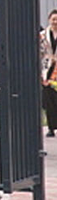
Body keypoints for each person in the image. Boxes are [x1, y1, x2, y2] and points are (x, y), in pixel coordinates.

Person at [40, 9, 57, 137]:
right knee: (48, 98)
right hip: (48, 68)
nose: (55, 22)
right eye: (53, 19)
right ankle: (51, 127)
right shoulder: (42, 35)